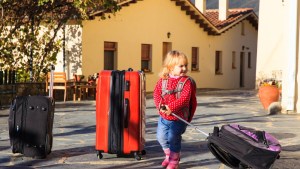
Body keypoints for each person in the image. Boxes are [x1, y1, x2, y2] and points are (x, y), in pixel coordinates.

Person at [153, 50, 197, 169]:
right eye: (181, 66)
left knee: (173, 138)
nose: (184, 68)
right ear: (171, 67)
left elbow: (185, 99)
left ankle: (174, 159)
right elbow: (157, 94)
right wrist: (160, 106)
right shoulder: (163, 80)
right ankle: (169, 155)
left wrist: (171, 107)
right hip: (164, 117)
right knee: (161, 137)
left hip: (179, 118)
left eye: (185, 65)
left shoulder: (186, 82)